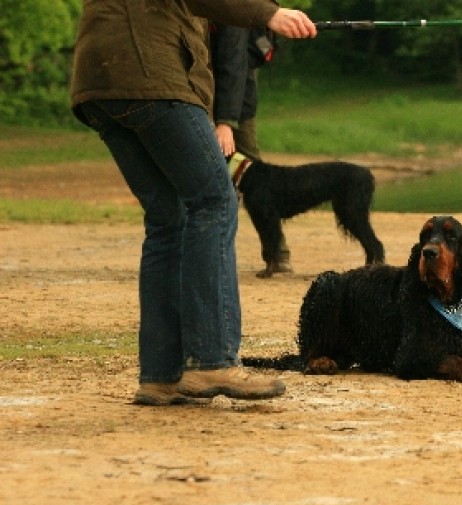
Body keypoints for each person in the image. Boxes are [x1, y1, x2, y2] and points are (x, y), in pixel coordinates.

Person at [70, 1, 316, 406]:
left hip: (99, 81)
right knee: (215, 200)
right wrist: (267, 14)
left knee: (168, 217)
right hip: (151, 74)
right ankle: (211, 360)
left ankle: (161, 375)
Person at [211, 23, 293, 273]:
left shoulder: (239, 17)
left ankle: (277, 253)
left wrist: (227, 119)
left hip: (237, 106)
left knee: (257, 183)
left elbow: (240, 59)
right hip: (214, 100)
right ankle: (276, 254)